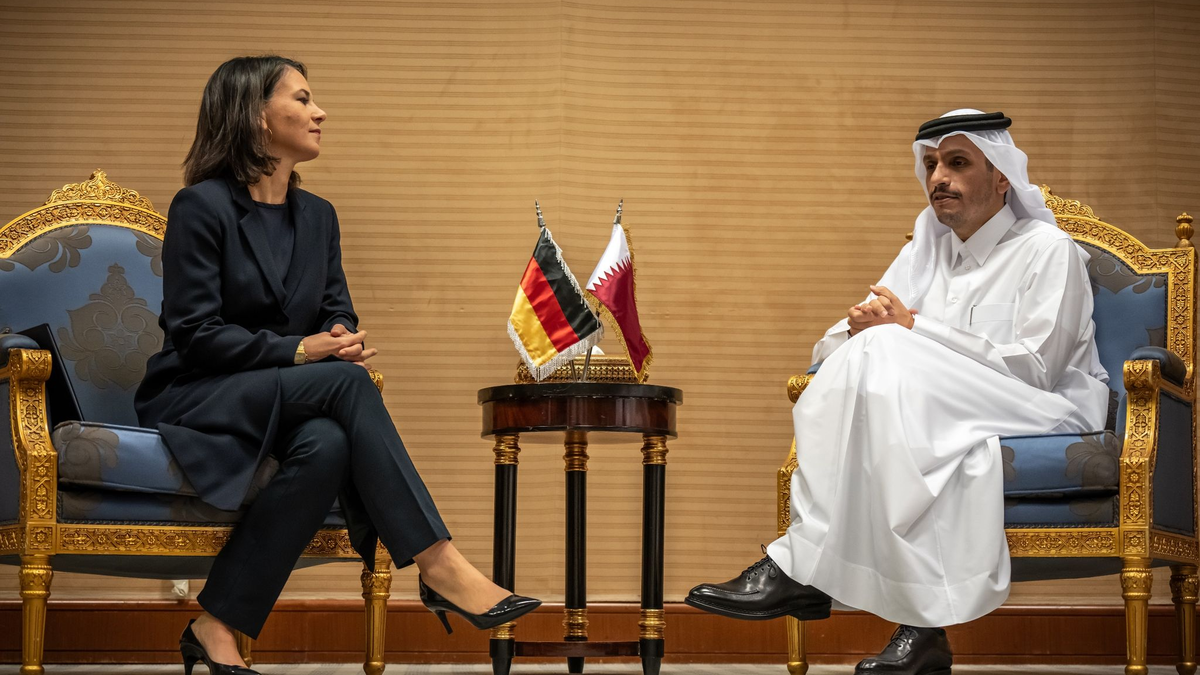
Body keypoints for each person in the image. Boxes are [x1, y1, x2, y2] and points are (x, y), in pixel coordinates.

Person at [134, 55, 540, 675]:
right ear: (256, 116)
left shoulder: (318, 216)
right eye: (300, 99)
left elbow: (334, 309)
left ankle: (213, 625)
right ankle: (438, 563)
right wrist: (303, 351)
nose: (318, 111)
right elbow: (194, 335)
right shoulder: (201, 207)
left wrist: (338, 336)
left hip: (291, 397)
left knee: (325, 444)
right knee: (343, 386)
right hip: (199, 392)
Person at [685, 110, 1110, 675]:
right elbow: (832, 346)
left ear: (1002, 176)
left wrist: (911, 329)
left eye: (958, 163)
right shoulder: (925, 248)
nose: (939, 177)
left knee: (884, 356)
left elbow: (1036, 368)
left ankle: (799, 570)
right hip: (939, 404)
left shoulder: (1046, 249)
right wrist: (861, 328)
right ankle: (919, 629)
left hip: (1043, 407)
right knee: (872, 368)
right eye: (932, 164)